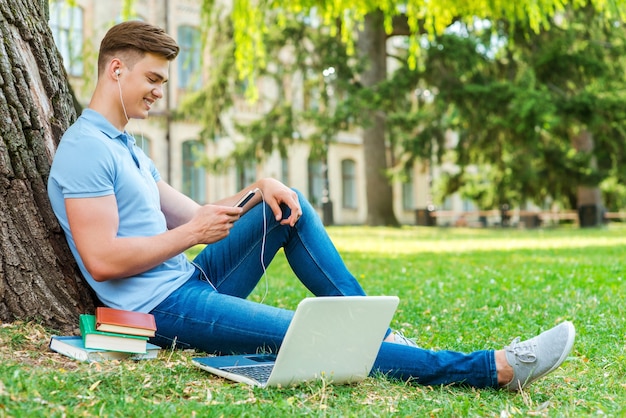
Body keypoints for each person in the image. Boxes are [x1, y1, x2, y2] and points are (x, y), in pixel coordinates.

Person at [47, 21, 575, 391]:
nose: (161, 91)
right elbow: (103, 260)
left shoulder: (125, 148)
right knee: (304, 332)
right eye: (153, 79)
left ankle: (379, 335)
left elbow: (195, 213)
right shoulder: (86, 149)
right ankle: (494, 369)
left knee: (286, 207)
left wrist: (259, 188)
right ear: (116, 70)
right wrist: (192, 236)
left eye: (163, 80)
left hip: (188, 279)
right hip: (158, 310)